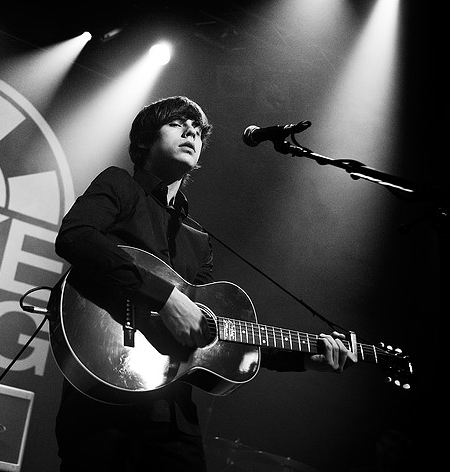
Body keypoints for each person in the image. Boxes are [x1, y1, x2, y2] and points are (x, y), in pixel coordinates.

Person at [52, 96, 356, 472]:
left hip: (173, 418)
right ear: (145, 140)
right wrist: (164, 297)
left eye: (197, 130)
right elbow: (76, 236)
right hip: (104, 404)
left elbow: (217, 332)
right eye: (178, 124)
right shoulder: (119, 185)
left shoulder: (198, 239)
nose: (191, 132)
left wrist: (305, 360)